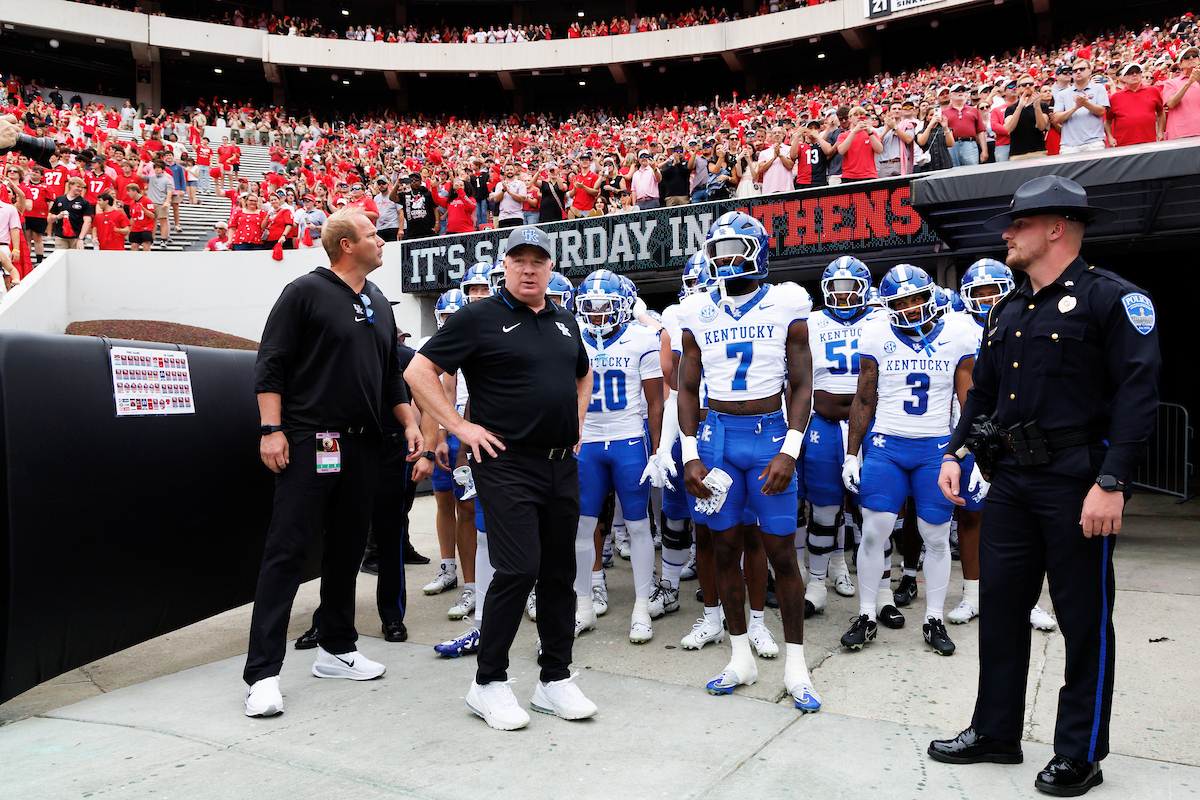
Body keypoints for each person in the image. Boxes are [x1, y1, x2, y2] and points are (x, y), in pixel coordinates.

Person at [928, 176, 1160, 796]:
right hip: (1010, 482)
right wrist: (960, 450)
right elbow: (984, 394)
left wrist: (1112, 481)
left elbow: (1139, 398)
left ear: (1056, 227)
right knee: (1001, 612)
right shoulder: (1008, 310)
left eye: (1019, 224)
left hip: (1077, 483)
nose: (1006, 234)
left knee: (1085, 621)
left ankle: (1081, 752)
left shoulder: (1112, 300)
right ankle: (996, 731)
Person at [405, 225, 597, 732]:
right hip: (506, 461)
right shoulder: (479, 316)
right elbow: (419, 372)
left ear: (551, 268)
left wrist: (577, 421)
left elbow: (583, 375)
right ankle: (488, 683)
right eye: (520, 260)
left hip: (561, 462)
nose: (530, 268)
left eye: (539, 260)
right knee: (517, 568)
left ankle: (553, 679)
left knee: (560, 572)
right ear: (504, 266)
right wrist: (459, 426)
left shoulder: (564, 320)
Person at [243, 207, 424, 718]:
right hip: (309, 438)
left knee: (347, 549)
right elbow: (271, 363)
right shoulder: (304, 292)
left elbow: (392, 376)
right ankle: (262, 674)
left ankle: (337, 648)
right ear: (346, 244)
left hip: (366, 443)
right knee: (289, 550)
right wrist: (271, 429)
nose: (382, 240)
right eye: (372, 234)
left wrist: (409, 423)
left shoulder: (379, 303)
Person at [677, 211, 821, 712]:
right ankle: (740, 657)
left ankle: (797, 668)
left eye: (733, 248)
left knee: (782, 553)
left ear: (757, 248)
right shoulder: (696, 309)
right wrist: (690, 452)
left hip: (769, 435)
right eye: (716, 250)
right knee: (722, 550)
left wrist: (791, 448)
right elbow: (689, 386)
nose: (724, 259)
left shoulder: (787, 302)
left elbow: (803, 384)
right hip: (717, 438)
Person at [840, 264, 976, 658]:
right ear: (889, 304)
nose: (912, 307)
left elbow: (969, 402)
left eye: (917, 298)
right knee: (873, 532)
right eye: (902, 301)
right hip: (886, 445)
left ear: (930, 295)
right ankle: (866, 614)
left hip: (936, 446)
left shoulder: (956, 331)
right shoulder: (877, 331)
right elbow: (864, 397)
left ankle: (933, 617)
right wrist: (853, 453)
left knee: (935, 537)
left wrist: (975, 456)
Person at [572, 269, 665, 641]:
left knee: (639, 524)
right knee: (581, 527)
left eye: (605, 307)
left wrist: (657, 450)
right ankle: (582, 605)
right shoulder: (573, 336)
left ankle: (641, 606)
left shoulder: (641, 338)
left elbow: (656, 401)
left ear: (623, 306)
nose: (596, 315)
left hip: (628, 437)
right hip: (588, 441)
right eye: (590, 308)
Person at [802, 257, 883, 619]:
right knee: (824, 509)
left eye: (852, 288)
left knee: (875, 515)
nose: (844, 295)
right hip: (824, 425)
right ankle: (817, 584)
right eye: (837, 288)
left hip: (871, 426)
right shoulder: (812, 322)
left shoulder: (882, 319)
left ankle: (881, 591)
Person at [1053, 59, 1110, 154]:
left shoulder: (1099, 88)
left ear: (1089, 71)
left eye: (1082, 69)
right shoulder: (1062, 94)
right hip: (1069, 145)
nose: (1078, 72)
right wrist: (1075, 107)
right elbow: (1057, 118)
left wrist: (1085, 104)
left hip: (1094, 142)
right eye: (1075, 70)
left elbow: (1101, 111)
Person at [1104, 63, 1164, 146]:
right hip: (1123, 144)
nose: (1134, 74)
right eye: (1130, 73)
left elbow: (1161, 113)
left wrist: (1160, 132)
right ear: (1123, 78)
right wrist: (1110, 137)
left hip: (1149, 142)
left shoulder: (1153, 91)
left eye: (1137, 72)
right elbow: (1107, 122)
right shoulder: (1115, 97)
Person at [1003, 77, 1051, 161]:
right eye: (1024, 85)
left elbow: (1042, 126)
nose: (1028, 86)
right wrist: (1020, 107)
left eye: (1031, 84)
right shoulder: (1011, 109)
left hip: (1038, 152)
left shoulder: (1042, 106)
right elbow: (1009, 128)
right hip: (1017, 154)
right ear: (1018, 89)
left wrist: (1037, 107)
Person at [1161, 46, 1200, 139]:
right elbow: (1170, 104)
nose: (1191, 58)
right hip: (1179, 134)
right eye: (1186, 57)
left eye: (1194, 56)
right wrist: (1189, 83)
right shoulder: (1171, 83)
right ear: (1180, 65)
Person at [49, 177, 93, 251]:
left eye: (82, 187)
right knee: (61, 258)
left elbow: (87, 221)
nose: (80, 189)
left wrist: (81, 238)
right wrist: (58, 216)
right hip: (60, 236)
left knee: (75, 259)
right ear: (70, 185)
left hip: (76, 236)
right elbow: (50, 218)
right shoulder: (60, 199)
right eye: (78, 186)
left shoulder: (84, 202)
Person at [125, 183, 156, 252]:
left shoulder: (147, 200)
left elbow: (152, 215)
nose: (127, 193)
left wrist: (143, 209)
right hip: (136, 227)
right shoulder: (132, 203)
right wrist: (129, 228)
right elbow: (132, 217)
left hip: (146, 227)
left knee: (146, 247)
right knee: (134, 246)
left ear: (135, 191)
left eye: (129, 191)